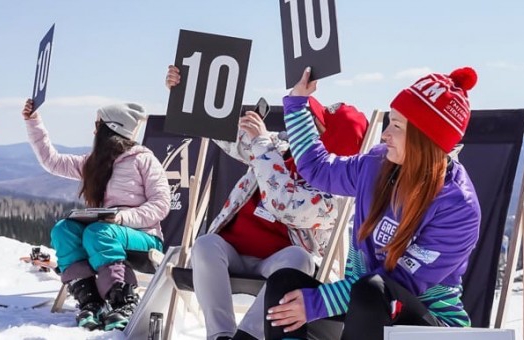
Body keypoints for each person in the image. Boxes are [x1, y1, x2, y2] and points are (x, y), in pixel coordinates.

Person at [264, 66, 482, 340]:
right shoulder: (377, 165)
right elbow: (318, 168)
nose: (384, 134)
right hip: (363, 304)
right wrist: (297, 104)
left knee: (373, 289)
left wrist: (316, 304)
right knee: (283, 286)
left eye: (397, 126)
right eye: (390, 121)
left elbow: (401, 281)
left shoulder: (457, 206)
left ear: (424, 139)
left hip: (427, 322)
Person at [165, 66, 368, 340]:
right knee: (205, 244)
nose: (304, 125)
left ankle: (246, 337)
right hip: (233, 251)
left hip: (278, 262)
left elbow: (283, 203)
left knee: (299, 259)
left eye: (315, 124)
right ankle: (221, 335)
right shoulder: (281, 150)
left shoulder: (337, 194)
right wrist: (186, 93)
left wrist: (262, 144)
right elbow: (227, 136)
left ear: (331, 142)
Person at [22, 99, 171, 331]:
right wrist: (33, 122)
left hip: (145, 238)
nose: (94, 130)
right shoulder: (94, 163)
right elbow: (52, 162)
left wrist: (122, 218)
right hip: (104, 235)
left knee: (98, 231)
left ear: (111, 128)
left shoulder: (144, 160)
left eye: (98, 124)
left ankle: (123, 300)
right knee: (64, 229)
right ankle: (90, 301)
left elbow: (161, 205)